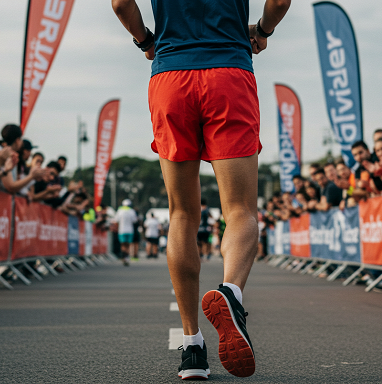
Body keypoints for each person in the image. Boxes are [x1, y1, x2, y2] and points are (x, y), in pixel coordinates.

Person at [112, 0, 290, 379]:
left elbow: (120, 3)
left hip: (170, 76)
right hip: (229, 70)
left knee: (181, 214)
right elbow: (279, 2)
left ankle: (192, 346)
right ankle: (231, 293)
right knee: (240, 210)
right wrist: (262, 30)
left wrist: (145, 40)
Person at [114, 199, 137, 266]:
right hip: (130, 230)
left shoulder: (120, 211)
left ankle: (124, 256)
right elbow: (135, 220)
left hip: (122, 230)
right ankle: (126, 257)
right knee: (128, 244)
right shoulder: (132, 211)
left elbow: (116, 220)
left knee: (123, 244)